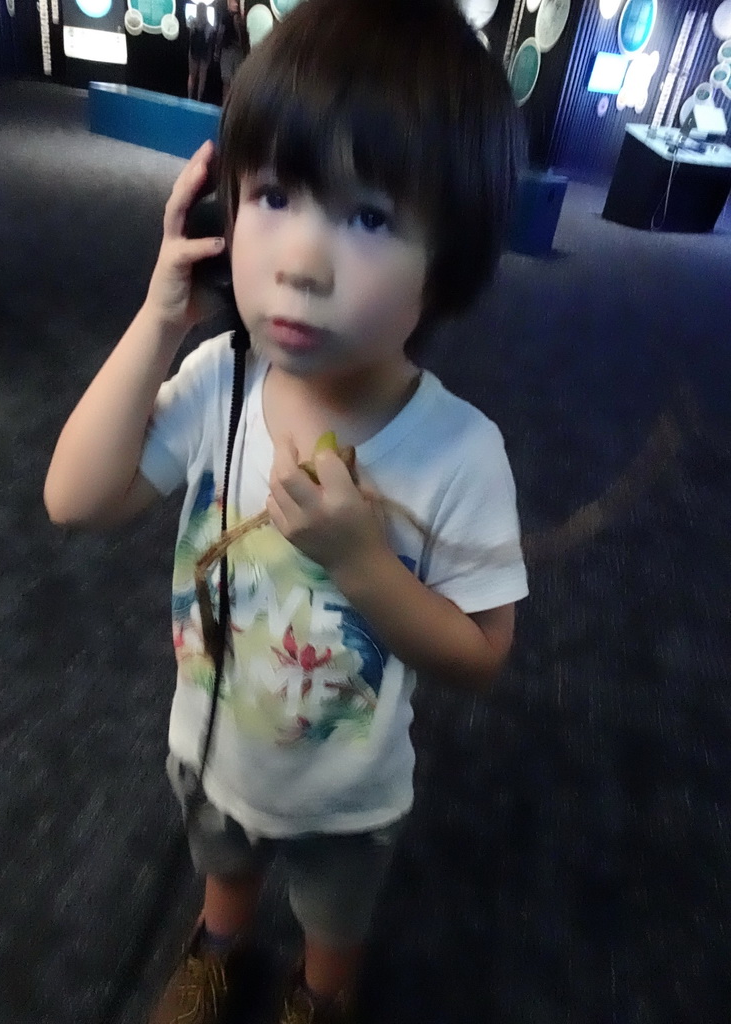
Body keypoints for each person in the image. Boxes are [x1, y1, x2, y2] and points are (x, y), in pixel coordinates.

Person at [43, 0, 528, 1021]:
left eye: (367, 216)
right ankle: (219, 943)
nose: (302, 263)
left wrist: (363, 564)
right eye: (273, 195)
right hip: (212, 743)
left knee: (332, 924)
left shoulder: (458, 451)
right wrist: (157, 319)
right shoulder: (222, 379)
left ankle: (320, 995)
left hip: (348, 796)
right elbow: (74, 498)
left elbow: (481, 655)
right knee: (223, 863)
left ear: (451, 257)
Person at [214, 0, 246, 103]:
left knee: (236, 82)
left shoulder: (240, 19)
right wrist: (217, 50)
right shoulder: (225, 16)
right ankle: (225, 104)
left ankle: (231, 105)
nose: (235, 4)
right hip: (227, 50)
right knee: (227, 80)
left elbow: (242, 38)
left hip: (237, 51)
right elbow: (220, 33)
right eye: (234, 3)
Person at [186, 1, 216, 101]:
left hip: (193, 52)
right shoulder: (209, 27)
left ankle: (189, 97)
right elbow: (210, 42)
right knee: (202, 78)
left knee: (192, 76)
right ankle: (199, 100)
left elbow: (190, 38)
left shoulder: (192, 23)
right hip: (204, 54)